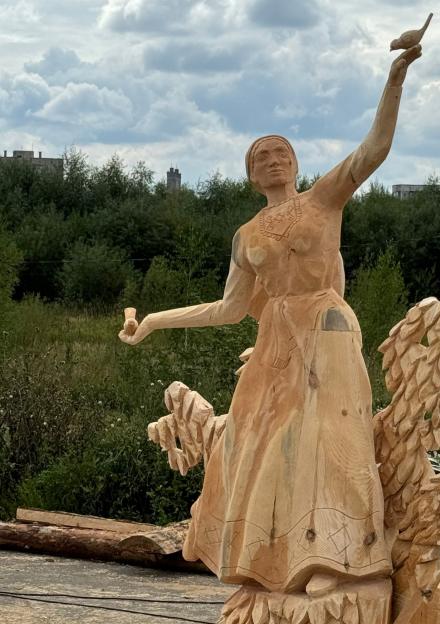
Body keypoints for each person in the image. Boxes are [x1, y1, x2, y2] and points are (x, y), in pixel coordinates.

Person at [119, 45, 422, 594]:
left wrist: (395, 80)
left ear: (297, 165)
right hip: (276, 337)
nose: (273, 159)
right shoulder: (247, 235)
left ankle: (341, 558)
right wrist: (155, 322)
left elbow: (373, 149)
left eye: (282, 151)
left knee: (331, 436)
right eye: (261, 155)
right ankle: (274, 554)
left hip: (326, 324)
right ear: (251, 175)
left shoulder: (323, 200)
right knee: (252, 437)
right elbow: (228, 309)